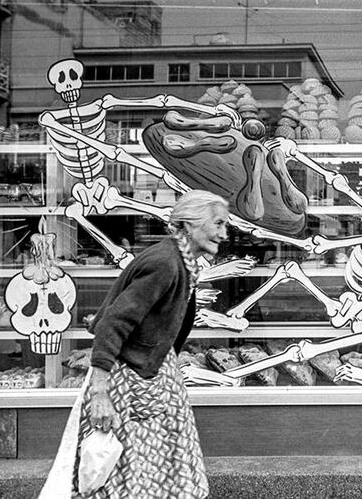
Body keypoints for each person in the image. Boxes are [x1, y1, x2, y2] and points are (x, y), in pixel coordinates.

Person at [73, 189, 242, 498]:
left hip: (150, 373)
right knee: (134, 473)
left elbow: (118, 309)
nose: (224, 233)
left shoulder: (179, 260)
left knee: (158, 469)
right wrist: (100, 391)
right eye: (218, 223)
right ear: (190, 225)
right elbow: (115, 321)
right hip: (129, 379)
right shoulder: (166, 263)